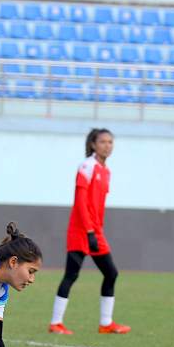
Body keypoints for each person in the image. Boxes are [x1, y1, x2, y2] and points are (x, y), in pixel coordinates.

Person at [48, 128, 130, 335]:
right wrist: (90, 231)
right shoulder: (86, 166)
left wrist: (95, 231)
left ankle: (106, 324)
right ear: (93, 144)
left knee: (111, 273)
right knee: (71, 275)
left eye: (110, 142)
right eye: (103, 142)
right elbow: (81, 202)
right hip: (81, 230)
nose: (107, 145)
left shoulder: (106, 170)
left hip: (95, 231)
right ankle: (55, 323)